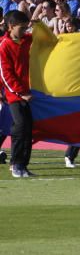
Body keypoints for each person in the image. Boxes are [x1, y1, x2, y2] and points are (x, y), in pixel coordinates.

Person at [0, 10, 34, 178]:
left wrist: (40, 26)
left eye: (26, 28)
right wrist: (20, 92)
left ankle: (22, 165)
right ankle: (15, 164)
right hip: (15, 95)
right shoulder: (4, 45)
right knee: (20, 127)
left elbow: (49, 40)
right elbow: (6, 74)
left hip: (27, 93)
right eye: (22, 28)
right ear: (11, 26)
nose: (25, 32)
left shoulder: (26, 40)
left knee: (27, 129)